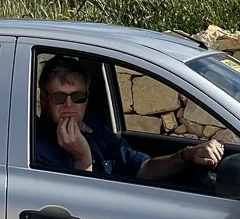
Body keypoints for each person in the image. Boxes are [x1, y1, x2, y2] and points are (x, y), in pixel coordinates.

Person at [35, 55, 224, 180]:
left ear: (86, 100)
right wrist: (82, 158)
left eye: (77, 97)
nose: (69, 105)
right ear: (44, 100)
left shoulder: (93, 129)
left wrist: (185, 156)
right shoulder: (33, 147)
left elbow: (140, 168)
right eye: (59, 97)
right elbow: (73, 211)